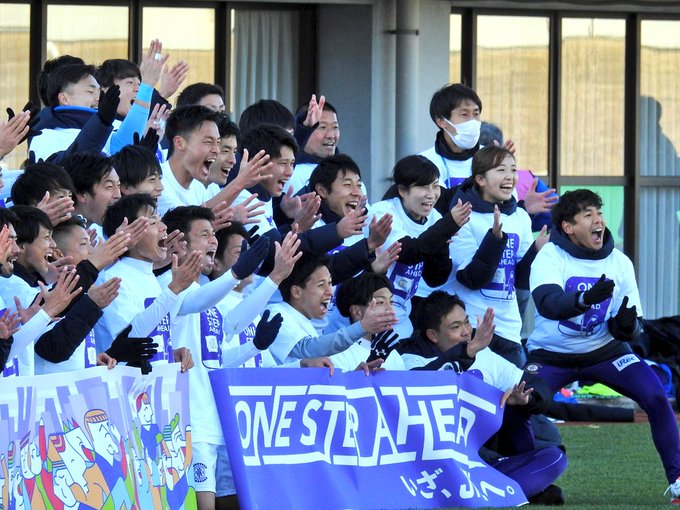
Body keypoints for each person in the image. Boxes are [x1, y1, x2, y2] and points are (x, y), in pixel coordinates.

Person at [526, 188, 680, 503]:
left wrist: (626, 324)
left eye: (599, 213)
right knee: (520, 405)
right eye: (588, 215)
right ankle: (525, 479)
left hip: (605, 352)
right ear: (568, 227)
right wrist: (584, 298)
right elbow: (548, 304)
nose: (598, 220)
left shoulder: (619, 261)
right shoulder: (550, 256)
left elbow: (632, 328)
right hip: (552, 356)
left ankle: (678, 479)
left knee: (656, 396)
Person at [397, 291, 567, 505]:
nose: (466, 332)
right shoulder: (410, 359)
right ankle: (518, 491)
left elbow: (536, 385)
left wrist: (526, 399)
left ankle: (494, 491)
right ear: (433, 335)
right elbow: (420, 383)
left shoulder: (484, 354)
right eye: (455, 327)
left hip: (484, 461)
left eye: (466, 322)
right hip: (437, 466)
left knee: (553, 457)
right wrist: (465, 354)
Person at [447, 146, 548, 368]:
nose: (510, 177)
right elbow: (470, 278)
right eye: (501, 170)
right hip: (472, 326)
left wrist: (536, 251)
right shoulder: (463, 216)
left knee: (519, 389)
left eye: (513, 170)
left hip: (509, 329)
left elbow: (521, 281)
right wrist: (494, 240)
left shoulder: (520, 217)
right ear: (480, 179)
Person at [369, 154, 471, 338]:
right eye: (423, 187)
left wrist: (442, 242)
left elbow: (435, 278)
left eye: (435, 186)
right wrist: (447, 227)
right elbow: (409, 252)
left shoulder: (435, 218)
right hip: (371, 315)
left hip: (402, 318)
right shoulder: (383, 212)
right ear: (402, 190)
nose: (431, 194)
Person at [266, 252, 397, 365]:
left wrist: (355, 375)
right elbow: (307, 349)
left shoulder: (308, 325)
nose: (330, 291)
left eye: (330, 283)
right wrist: (362, 327)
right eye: (321, 285)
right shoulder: (276, 314)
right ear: (297, 292)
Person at [331, 272, 405, 371]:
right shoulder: (337, 353)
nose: (391, 310)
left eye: (391, 302)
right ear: (356, 311)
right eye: (380, 302)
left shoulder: (394, 355)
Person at [61, 152, 121, 236]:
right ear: (81, 194)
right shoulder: (54, 235)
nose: (118, 195)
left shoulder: (97, 235)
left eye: (118, 185)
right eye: (109, 186)